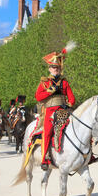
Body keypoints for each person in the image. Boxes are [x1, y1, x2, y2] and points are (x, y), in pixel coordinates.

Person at [35, 42, 76, 171]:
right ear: (49, 69)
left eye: (57, 68)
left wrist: (68, 105)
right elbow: (38, 97)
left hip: (63, 110)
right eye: (53, 68)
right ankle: (45, 159)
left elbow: (72, 98)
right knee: (47, 132)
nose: (55, 70)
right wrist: (49, 91)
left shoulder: (64, 82)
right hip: (49, 111)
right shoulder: (45, 82)